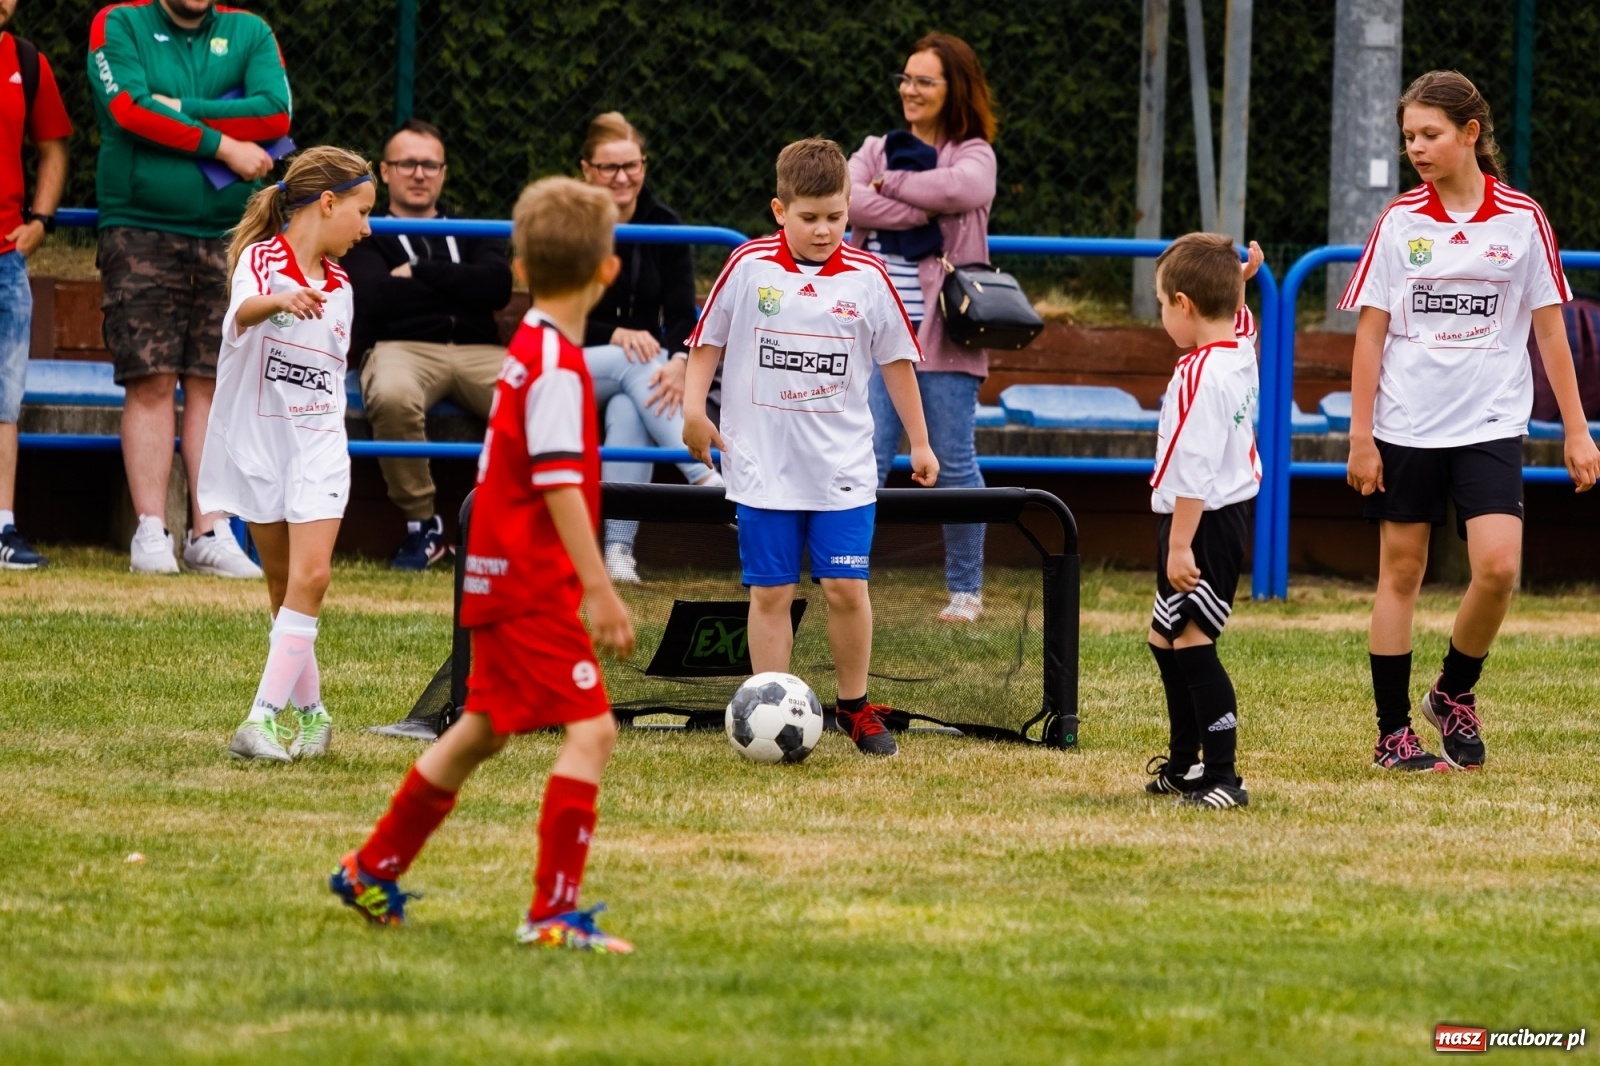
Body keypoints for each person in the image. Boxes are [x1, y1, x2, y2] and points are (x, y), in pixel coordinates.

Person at [330, 177, 636, 952]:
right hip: (531, 585)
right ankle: (553, 913)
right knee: (593, 734)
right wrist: (598, 589)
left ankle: (372, 869)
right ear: (608, 271)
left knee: (481, 730)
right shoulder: (559, 367)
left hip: (488, 576)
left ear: (522, 268)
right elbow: (562, 484)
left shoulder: (527, 346)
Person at [1340, 70, 1600, 772]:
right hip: (1404, 426)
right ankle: (1392, 734)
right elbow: (1369, 336)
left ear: (1471, 134)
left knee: (1498, 568)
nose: (1417, 148)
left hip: (1489, 423)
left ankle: (1454, 692)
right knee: (1401, 572)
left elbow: (1552, 332)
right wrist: (1361, 436)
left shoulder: (1522, 218)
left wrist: (1577, 429)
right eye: (1408, 138)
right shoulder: (1400, 222)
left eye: (1430, 134)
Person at [683, 138, 939, 758]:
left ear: (850, 207)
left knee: (846, 589)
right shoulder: (746, 267)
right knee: (771, 593)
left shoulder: (870, 279)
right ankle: (768, 703)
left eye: (836, 216)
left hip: (842, 469)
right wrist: (694, 409)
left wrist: (922, 441)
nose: (824, 230)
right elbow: (706, 343)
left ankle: (854, 707)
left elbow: (899, 362)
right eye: (809, 217)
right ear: (779, 210)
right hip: (762, 468)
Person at [89, 0, 291, 577]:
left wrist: (177, 109)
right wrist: (223, 143)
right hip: (140, 226)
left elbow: (275, 115)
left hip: (232, 233)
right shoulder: (118, 22)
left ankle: (210, 531)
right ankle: (151, 530)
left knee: (212, 380)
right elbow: (129, 110)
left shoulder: (249, 30)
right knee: (150, 378)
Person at [199, 148, 374, 762]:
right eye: (362, 211)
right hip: (261, 445)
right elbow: (243, 311)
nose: (367, 227)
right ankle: (315, 715)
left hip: (320, 446)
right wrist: (282, 300)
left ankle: (260, 721)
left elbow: (327, 378)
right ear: (328, 204)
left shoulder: (345, 287)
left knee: (314, 576)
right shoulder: (261, 258)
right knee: (283, 584)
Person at [848, 32, 995, 623]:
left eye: (923, 81)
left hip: (944, 338)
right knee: (865, 460)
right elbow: (845, 198)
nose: (909, 90)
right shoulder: (876, 147)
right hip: (870, 338)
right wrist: (920, 201)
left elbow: (965, 188)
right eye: (904, 78)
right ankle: (847, 578)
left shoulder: (974, 151)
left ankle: (965, 591)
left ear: (952, 88)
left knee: (954, 462)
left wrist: (891, 188)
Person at [345, 119, 513, 570]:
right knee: (394, 397)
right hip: (401, 347)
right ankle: (425, 528)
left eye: (429, 164)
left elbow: (497, 286)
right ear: (384, 171)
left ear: (443, 171)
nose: (419, 174)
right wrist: (459, 284)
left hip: (480, 352)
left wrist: (419, 271)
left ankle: (506, 531)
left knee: (536, 399)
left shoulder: (471, 227)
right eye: (407, 164)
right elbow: (374, 297)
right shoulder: (367, 231)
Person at [1141, 234, 1261, 810]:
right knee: (1162, 638)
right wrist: (1243, 280)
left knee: (1192, 641)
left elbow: (1193, 465)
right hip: (1200, 518)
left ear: (1185, 304)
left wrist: (1180, 545)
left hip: (1203, 523)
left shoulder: (1201, 376)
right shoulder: (1238, 345)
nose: (1162, 316)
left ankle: (1224, 777)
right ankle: (1184, 761)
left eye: (1164, 305)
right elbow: (1241, 317)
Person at [577, 111, 722, 583]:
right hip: (569, 362)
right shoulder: (572, 222)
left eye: (631, 165)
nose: (622, 177)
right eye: (608, 168)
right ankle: (704, 475)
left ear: (644, 165)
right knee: (630, 360)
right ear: (586, 170)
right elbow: (554, 312)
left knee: (627, 408)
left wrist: (681, 361)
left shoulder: (665, 224)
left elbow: (683, 314)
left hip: (645, 373)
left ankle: (618, 551)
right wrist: (613, 334)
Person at [0, 4, 71, 569]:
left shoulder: (27, 60)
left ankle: (2, 528)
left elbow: (52, 147)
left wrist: (41, 220)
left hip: (5, 259)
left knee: (4, 398)